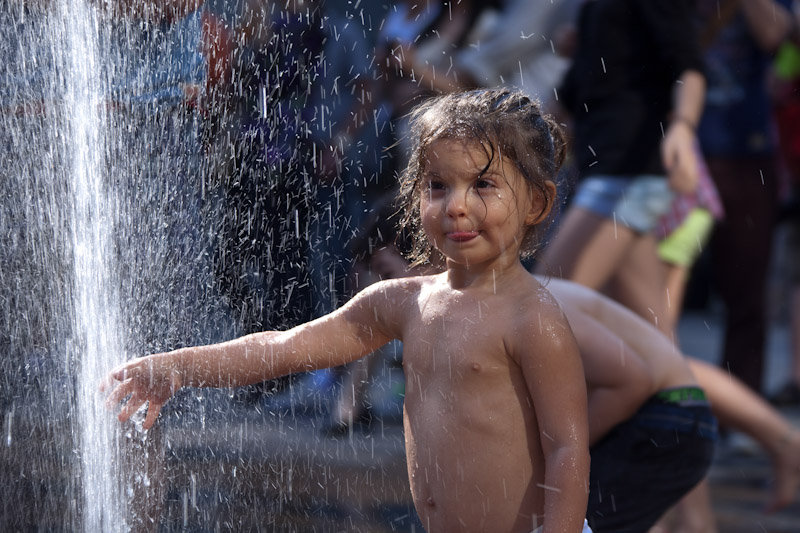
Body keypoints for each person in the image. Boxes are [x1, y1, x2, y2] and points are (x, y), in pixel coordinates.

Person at [103, 88, 592, 533]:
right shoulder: (405, 302)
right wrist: (176, 366)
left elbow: (567, 448)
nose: (456, 206)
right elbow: (285, 348)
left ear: (537, 203)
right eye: (438, 184)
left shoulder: (533, 319)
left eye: (483, 185)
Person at [535, 0, 705, 333]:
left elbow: (689, 67)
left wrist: (683, 127)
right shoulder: (592, 9)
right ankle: (677, 384)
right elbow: (570, 94)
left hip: (629, 172)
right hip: (611, 171)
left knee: (545, 307)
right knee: (651, 343)